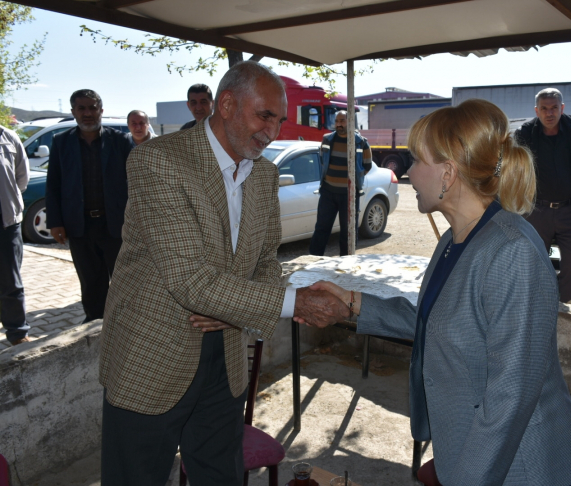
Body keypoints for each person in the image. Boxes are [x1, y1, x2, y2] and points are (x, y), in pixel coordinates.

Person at [301, 99, 571, 485]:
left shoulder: (512, 251)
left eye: (416, 160)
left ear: (447, 173)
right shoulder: (455, 240)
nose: (407, 172)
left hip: (527, 468)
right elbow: (443, 322)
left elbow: (511, 395)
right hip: (475, 454)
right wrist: (354, 303)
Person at [98, 61, 348, 485]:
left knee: (221, 475)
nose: (272, 131)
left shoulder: (265, 174)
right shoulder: (159, 161)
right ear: (228, 104)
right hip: (152, 355)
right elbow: (191, 282)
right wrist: (297, 302)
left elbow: (268, 260)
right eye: (264, 116)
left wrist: (232, 310)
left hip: (226, 358)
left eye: (279, 120)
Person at [46, 89, 134, 323]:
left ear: (101, 110)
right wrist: (55, 222)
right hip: (80, 225)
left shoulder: (120, 141)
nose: (87, 113)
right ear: (73, 111)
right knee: (90, 281)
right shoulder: (61, 142)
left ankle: (125, 324)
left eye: (92, 108)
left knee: (124, 279)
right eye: (81, 108)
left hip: (115, 225)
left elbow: (137, 181)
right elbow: (53, 184)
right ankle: (95, 323)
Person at [515, 88, 571, 303]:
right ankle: (536, 306)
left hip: (570, 210)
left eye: (554, 108)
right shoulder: (525, 133)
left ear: (562, 108)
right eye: (544, 109)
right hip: (537, 211)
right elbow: (516, 166)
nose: (549, 113)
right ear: (536, 110)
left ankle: (570, 310)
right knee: (535, 262)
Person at [309, 110, 372, 256]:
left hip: (349, 194)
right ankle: (313, 261)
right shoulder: (327, 139)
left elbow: (367, 165)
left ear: (350, 122)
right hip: (328, 193)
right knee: (321, 228)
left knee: (348, 231)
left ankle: (346, 263)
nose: (339, 124)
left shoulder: (361, 142)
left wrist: (354, 180)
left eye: (342, 121)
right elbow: (322, 161)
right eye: (337, 121)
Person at [0, 124, 31, 346]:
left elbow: (22, 177)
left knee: (10, 281)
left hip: (6, 223)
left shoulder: (8, 136)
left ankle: (17, 333)